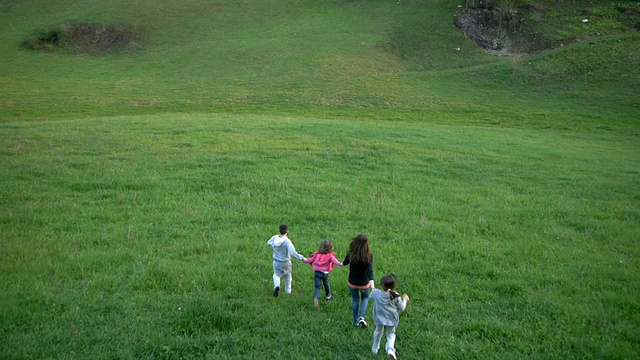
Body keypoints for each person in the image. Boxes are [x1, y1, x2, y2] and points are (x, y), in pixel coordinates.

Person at [370, 274, 410, 360]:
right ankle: (390, 349)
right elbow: (402, 308)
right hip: (391, 319)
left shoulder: (376, 293)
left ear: (381, 284)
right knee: (390, 334)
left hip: (379, 318)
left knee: (378, 331)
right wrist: (405, 299)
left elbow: (371, 294)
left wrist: (372, 285)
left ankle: (375, 348)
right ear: (393, 286)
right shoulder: (395, 295)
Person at [342, 234, 374, 327]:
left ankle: (355, 321)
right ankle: (361, 317)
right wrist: (372, 285)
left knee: (355, 300)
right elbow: (369, 271)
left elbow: (344, 263)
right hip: (364, 284)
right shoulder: (369, 256)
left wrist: (337, 262)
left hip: (352, 283)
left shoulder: (350, 254)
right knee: (365, 298)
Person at [267, 224, 306, 297]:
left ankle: (277, 286)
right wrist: (303, 258)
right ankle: (288, 291)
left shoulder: (275, 238)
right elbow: (293, 253)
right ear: (287, 231)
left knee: (276, 275)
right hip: (285, 262)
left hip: (276, 261)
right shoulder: (287, 241)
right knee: (288, 276)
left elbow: (269, 242)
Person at [304, 239, 343, 309]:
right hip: (325, 273)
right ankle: (328, 296)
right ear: (330, 248)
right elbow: (335, 261)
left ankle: (316, 298)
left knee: (317, 287)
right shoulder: (330, 256)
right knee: (326, 284)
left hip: (317, 273)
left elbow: (310, 260)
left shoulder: (317, 254)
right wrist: (340, 264)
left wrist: (304, 260)